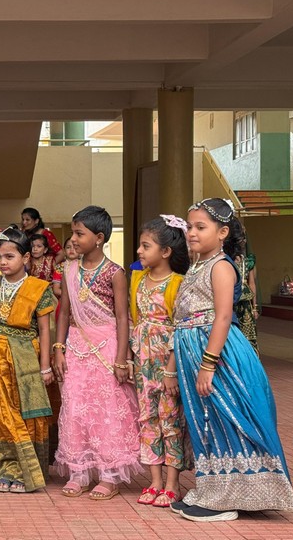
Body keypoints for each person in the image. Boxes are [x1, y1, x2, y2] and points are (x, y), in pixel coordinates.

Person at [169, 198, 293, 522]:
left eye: (201, 227)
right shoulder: (198, 264)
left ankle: (228, 497)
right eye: (190, 227)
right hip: (193, 351)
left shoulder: (222, 266)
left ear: (222, 231)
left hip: (220, 358)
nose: (192, 233)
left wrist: (208, 365)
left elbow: (224, 316)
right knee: (207, 424)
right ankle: (213, 490)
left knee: (228, 420)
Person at [53, 205, 140, 500]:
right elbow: (64, 313)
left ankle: (109, 475)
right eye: (74, 233)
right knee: (75, 406)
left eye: (80, 234)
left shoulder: (115, 273)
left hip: (106, 347)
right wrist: (59, 348)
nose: (74, 239)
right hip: (76, 346)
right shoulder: (70, 270)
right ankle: (79, 472)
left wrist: (121, 358)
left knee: (105, 410)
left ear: (99, 237)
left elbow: (122, 318)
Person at [0, 227, 56, 494]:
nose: (2, 262)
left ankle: (26, 471)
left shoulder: (39, 288)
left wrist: (45, 366)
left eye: (9, 256)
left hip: (27, 358)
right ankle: (3, 469)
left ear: (25, 258)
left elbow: (45, 329)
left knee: (26, 415)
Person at [130, 216, 191, 508]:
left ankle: (172, 484)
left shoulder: (178, 284)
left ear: (165, 251)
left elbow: (180, 329)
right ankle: (154, 482)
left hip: (167, 364)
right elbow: (135, 321)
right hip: (143, 363)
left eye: (146, 246)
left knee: (171, 421)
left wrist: (171, 370)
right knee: (148, 419)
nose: (139, 251)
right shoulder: (138, 280)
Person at [234, 236, 259, 354]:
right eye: (239, 240)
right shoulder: (225, 260)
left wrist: (255, 307)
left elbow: (252, 284)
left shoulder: (249, 261)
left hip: (245, 303)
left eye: (243, 240)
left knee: (247, 335)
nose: (242, 242)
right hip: (231, 301)